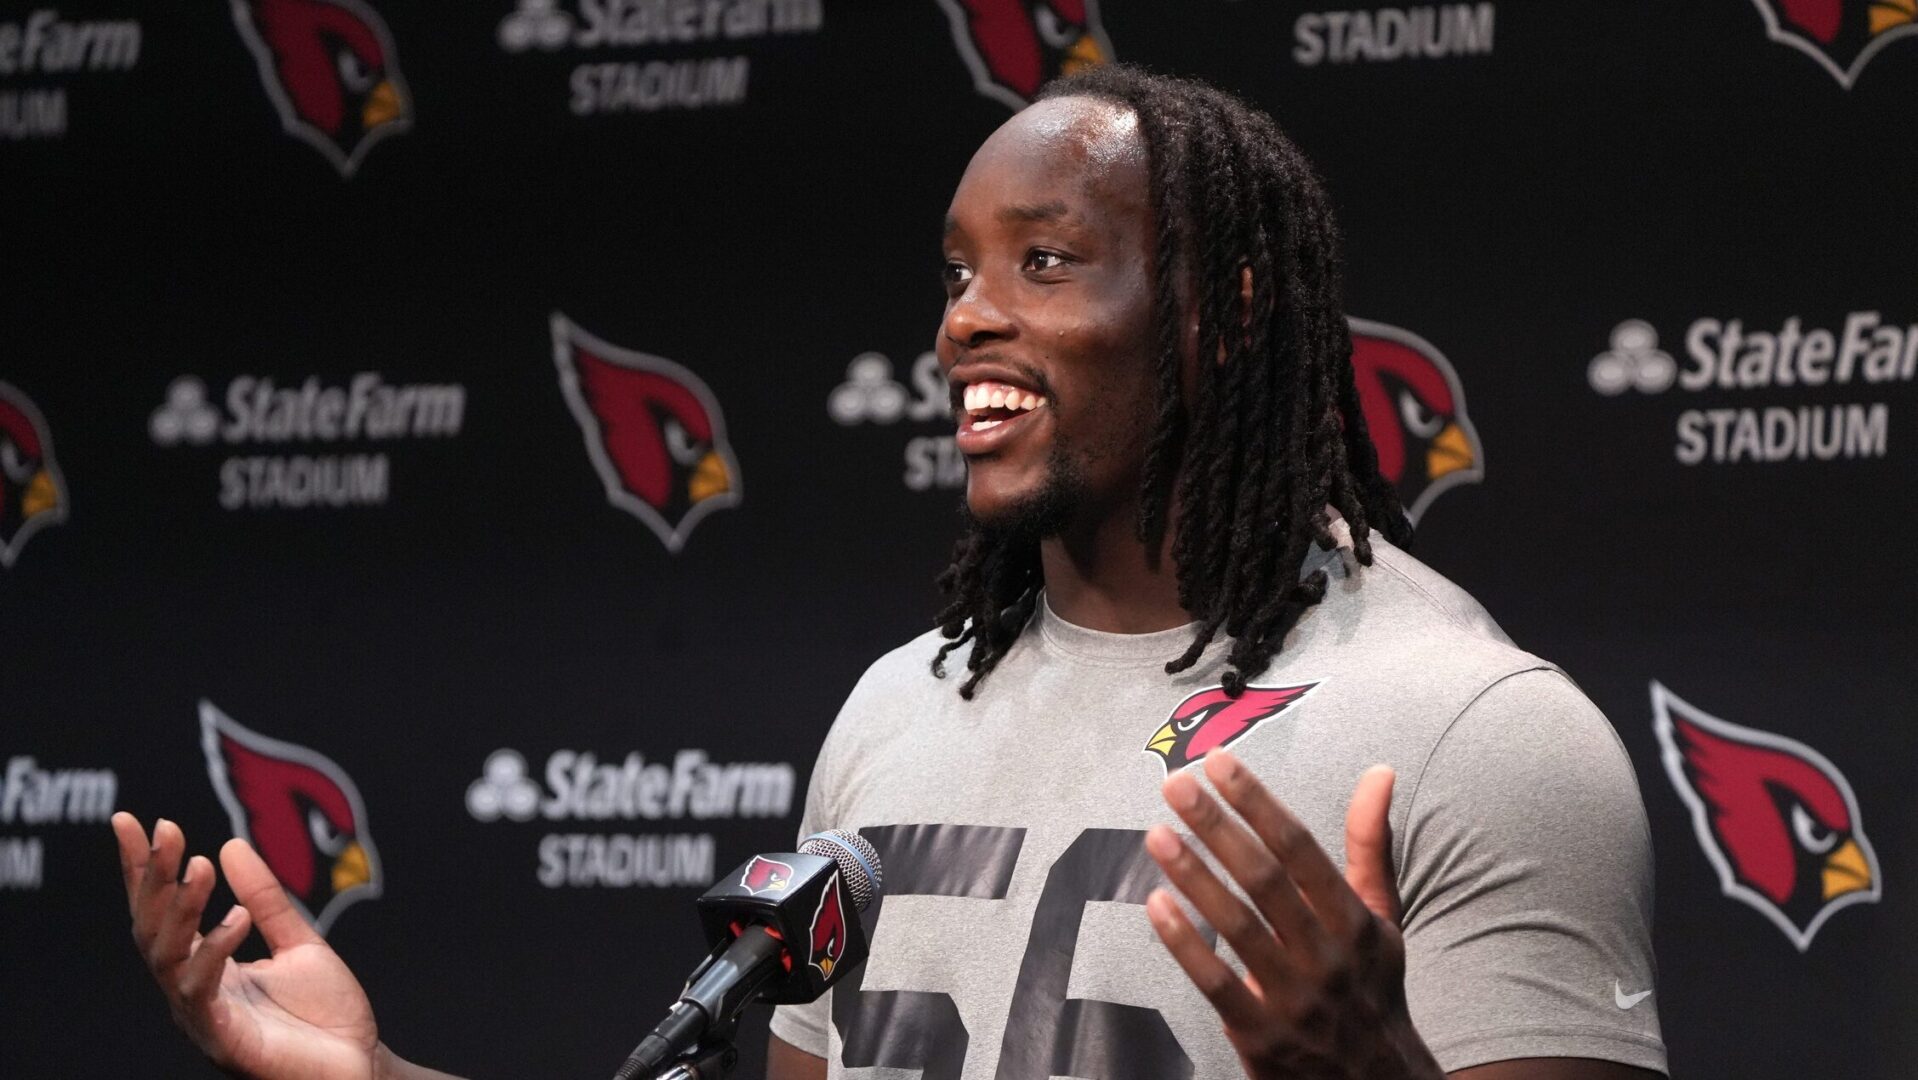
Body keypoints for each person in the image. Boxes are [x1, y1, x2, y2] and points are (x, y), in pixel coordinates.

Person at [114, 65, 1666, 1080]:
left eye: (1043, 265)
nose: (962, 326)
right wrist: (378, 1079)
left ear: (1226, 307)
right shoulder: (896, 710)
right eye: (956, 274)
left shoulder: (1469, 730)